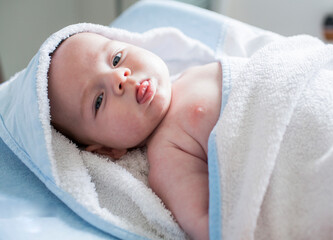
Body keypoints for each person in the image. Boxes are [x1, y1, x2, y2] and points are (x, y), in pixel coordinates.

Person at [48, 32, 222, 240]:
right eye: (99, 100)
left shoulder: (198, 69)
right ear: (107, 150)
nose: (119, 77)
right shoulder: (169, 155)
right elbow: (211, 225)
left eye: (115, 59)